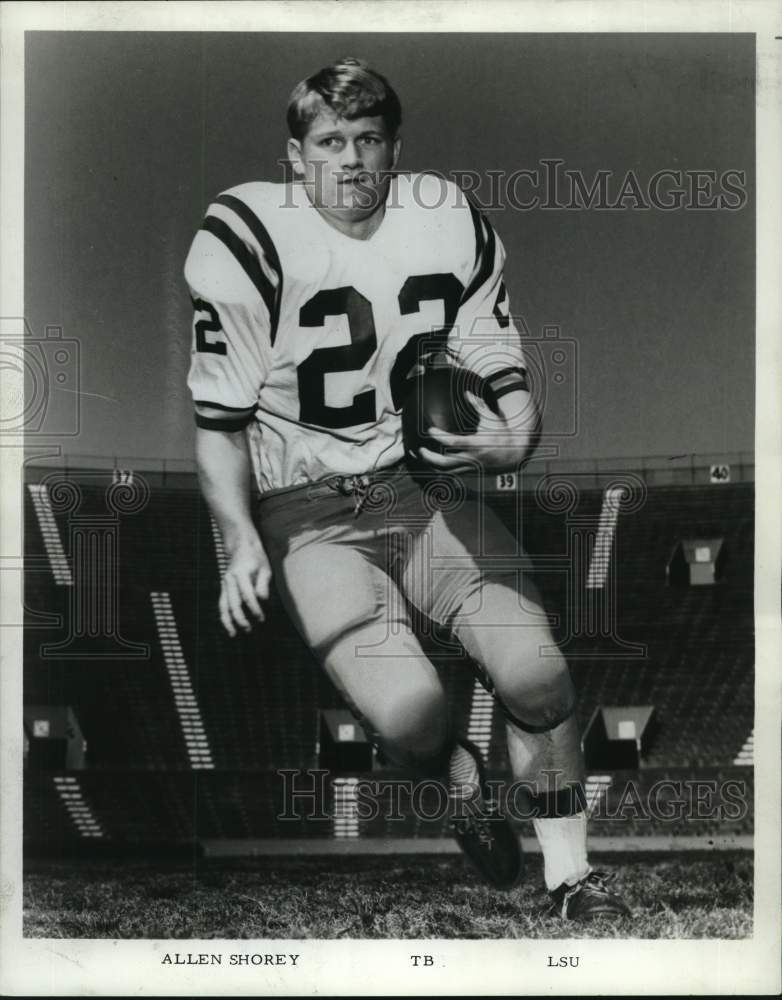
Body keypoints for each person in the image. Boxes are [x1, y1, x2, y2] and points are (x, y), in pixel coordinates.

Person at [185, 56, 629, 920]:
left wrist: (514, 428)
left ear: (396, 148)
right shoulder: (243, 237)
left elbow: (495, 353)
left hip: (419, 488)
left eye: (368, 140)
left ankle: (571, 878)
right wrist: (239, 539)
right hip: (306, 512)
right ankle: (456, 779)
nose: (350, 160)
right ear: (294, 153)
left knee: (537, 672)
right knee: (415, 716)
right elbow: (219, 423)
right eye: (329, 141)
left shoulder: (446, 218)